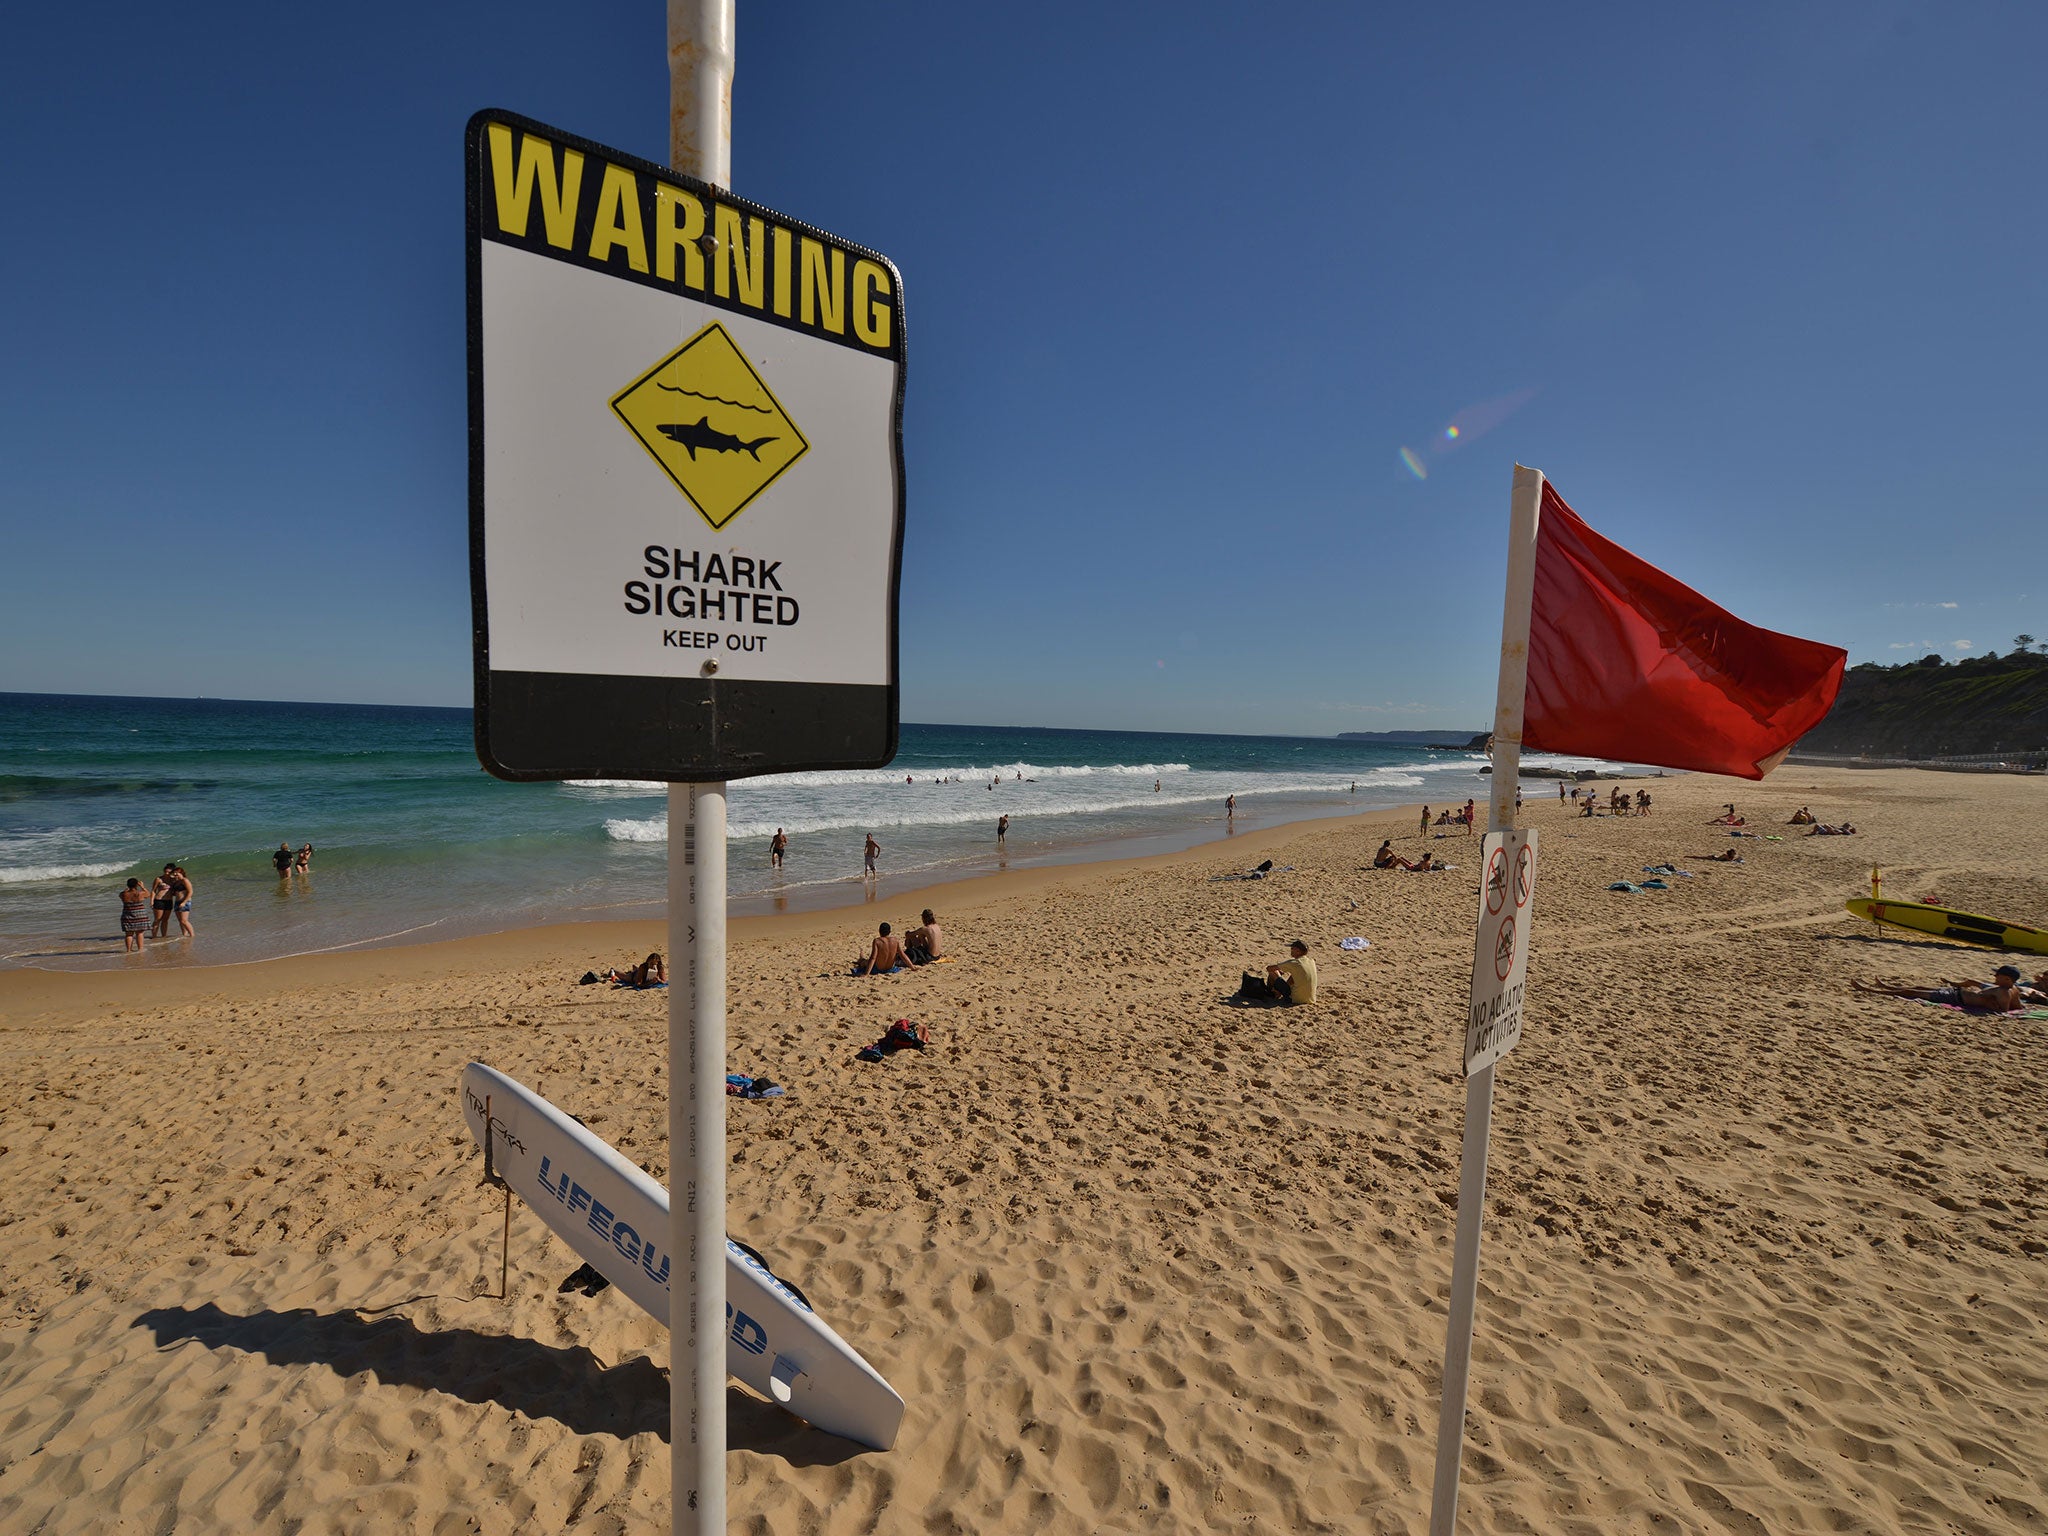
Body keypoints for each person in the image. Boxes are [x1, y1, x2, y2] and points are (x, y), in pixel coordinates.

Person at [1854, 966, 2023, 1013]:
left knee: (1912, 993)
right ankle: (1887, 986)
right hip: (1957, 994)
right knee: (1918, 987)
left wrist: (1986, 1001)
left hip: (1955, 999)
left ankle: (1871, 990)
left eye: (1998, 976)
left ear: (2007, 979)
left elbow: (2003, 1010)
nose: (1995, 978)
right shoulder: (2012, 989)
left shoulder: (2003, 992)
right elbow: (2018, 1008)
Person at [1240, 940, 1317, 1004]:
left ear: (1298, 951)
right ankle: (1277, 992)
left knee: (1273, 972)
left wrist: (1279, 972)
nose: (1291, 950)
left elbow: (1269, 968)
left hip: (1295, 1000)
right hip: (1310, 999)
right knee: (1294, 975)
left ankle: (1272, 994)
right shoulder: (1311, 961)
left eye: (1292, 948)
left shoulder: (1294, 962)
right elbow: (1295, 976)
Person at [119, 877, 151, 951]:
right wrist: (142, 887)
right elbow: (148, 894)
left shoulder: (123, 894)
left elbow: (120, 895)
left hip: (127, 915)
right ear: (136, 885)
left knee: (129, 934)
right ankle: (140, 949)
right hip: (140, 915)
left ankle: (128, 950)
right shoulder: (140, 894)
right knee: (139, 933)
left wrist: (126, 890)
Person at [166, 863, 194, 938]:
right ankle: (184, 934)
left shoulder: (185, 880)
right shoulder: (176, 882)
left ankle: (192, 935)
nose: (175, 875)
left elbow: (190, 891)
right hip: (177, 902)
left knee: (184, 920)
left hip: (185, 901)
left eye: (177, 874)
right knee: (180, 921)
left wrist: (184, 902)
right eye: (174, 874)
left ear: (181, 873)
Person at [150, 869, 174, 939]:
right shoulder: (159, 879)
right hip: (159, 900)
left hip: (169, 901)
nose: (166, 873)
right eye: (165, 871)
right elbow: (153, 890)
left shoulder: (173, 880)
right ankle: (154, 936)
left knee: (165, 920)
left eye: (169, 872)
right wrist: (151, 901)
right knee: (157, 919)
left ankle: (164, 936)